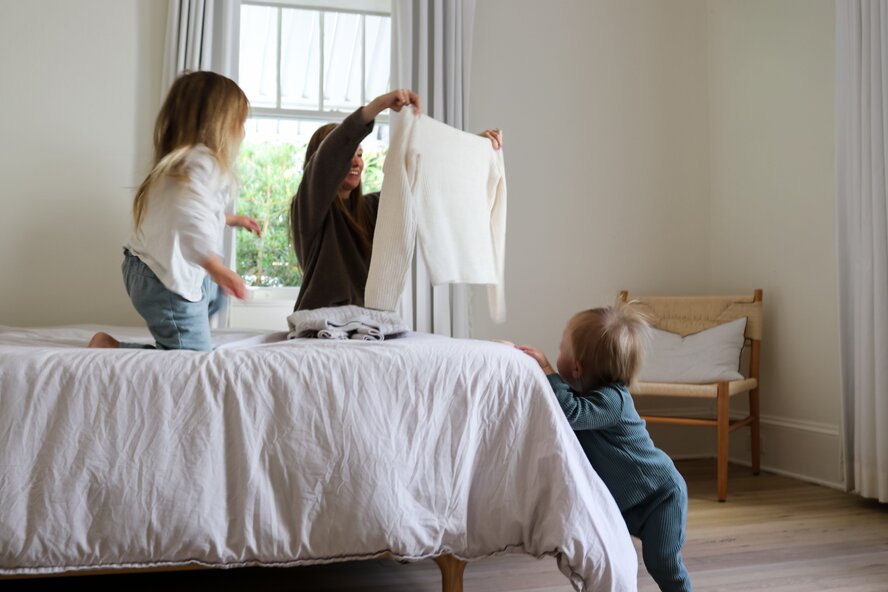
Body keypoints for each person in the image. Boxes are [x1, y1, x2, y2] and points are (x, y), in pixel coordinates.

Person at [518, 305, 692, 592]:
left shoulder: (613, 401)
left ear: (577, 367)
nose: (556, 352)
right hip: (626, 500)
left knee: (663, 563)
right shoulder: (588, 396)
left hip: (660, 497)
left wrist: (548, 370)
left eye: (562, 348)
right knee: (608, 548)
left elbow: (571, 413)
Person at [89, 71, 260, 351]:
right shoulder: (203, 163)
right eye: (240, 122)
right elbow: (191, 216)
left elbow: (192, 209)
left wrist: (232, 219)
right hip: (163, 281)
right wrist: (215, 267)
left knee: (215, 295)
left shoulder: (180, 164)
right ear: (220, 125)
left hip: (145, 267)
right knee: (190, 358)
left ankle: (188, 323)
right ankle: (111, 349)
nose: (243, 131)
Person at [289, 89, 503, 311]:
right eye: (349, 154)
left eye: (360, 155)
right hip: (321, 322)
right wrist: (379, 104)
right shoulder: (307, 208)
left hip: (367, 325)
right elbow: (328, 158)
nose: (356, 162)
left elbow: (429, 179)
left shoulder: (374, 209)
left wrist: (477, 148)